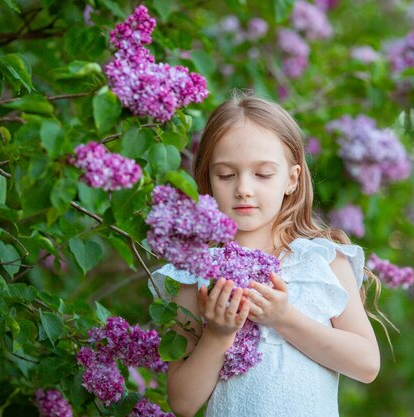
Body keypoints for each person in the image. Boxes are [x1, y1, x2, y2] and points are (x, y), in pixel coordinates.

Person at [153, 91, 382, 417]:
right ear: (208, 179)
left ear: (291, 179)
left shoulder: (322, 260)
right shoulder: (197, 272)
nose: (244, 188)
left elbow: (366, 364)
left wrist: (284, 319)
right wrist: (218, 336)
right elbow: (183, 402)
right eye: (227, 174)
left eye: (262, 174)